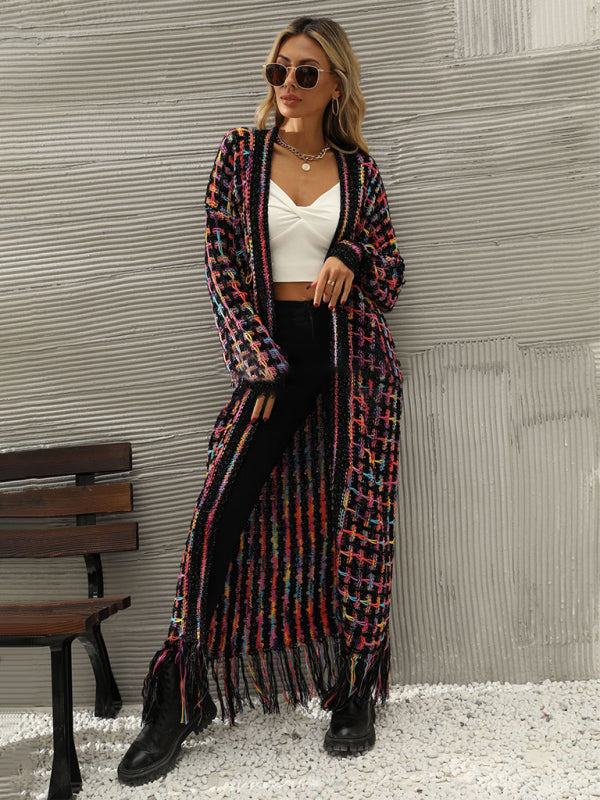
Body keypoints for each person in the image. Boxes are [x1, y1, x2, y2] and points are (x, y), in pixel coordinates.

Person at [117, 15, 405, 786]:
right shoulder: (240, 156)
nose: (288, 84)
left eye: (306, 73)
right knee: (217, 520)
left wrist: (353, 253)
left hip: (352, 366)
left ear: (335, 84)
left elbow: (390, 271)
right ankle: (180, 697)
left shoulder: (359, 172)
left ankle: (353, 690)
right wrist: (256, 362)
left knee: (356, 528)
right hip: (270, 362)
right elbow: (219, 265)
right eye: (279, 69)